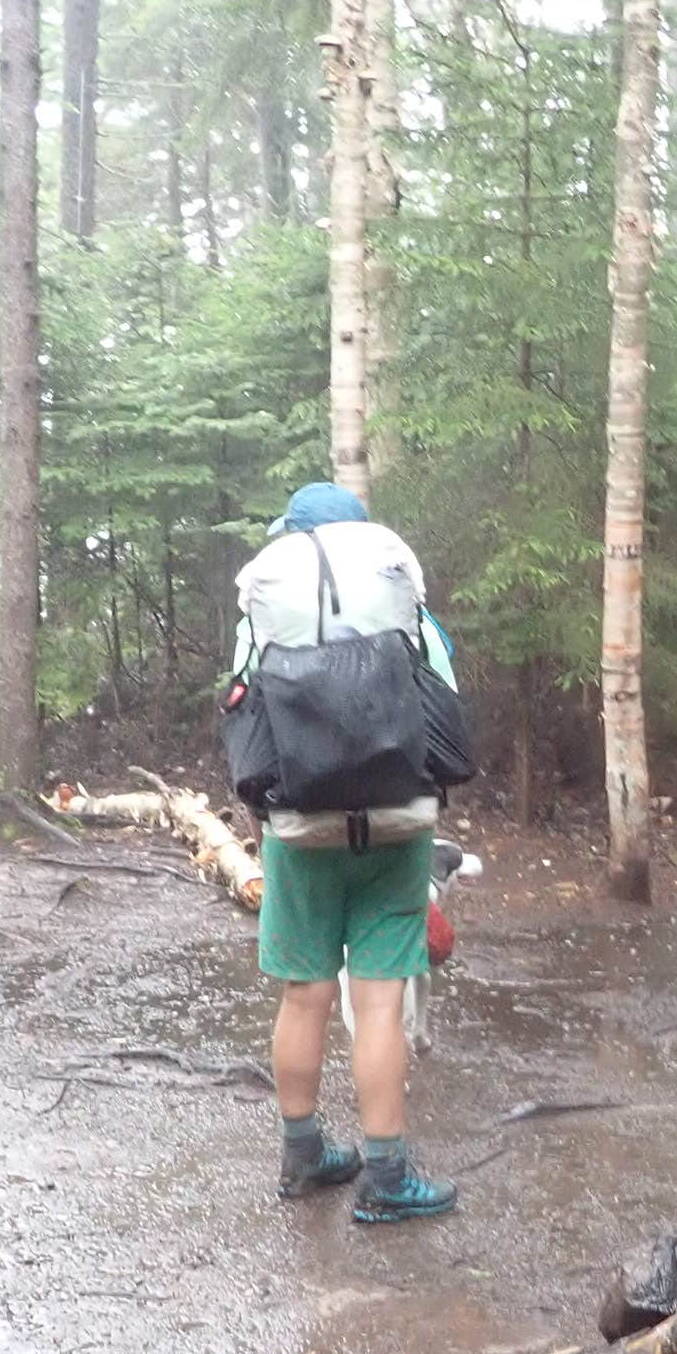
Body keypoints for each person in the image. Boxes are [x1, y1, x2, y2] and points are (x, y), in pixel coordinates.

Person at [232, 481, 460, 1222]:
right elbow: (443, 701)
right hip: (396, 823)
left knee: (305, 992)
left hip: (301, 829)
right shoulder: (404, 606)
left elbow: (241, 710)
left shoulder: (265, 611)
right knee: (380, 998)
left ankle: (304, 1156)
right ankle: (386, 1177)